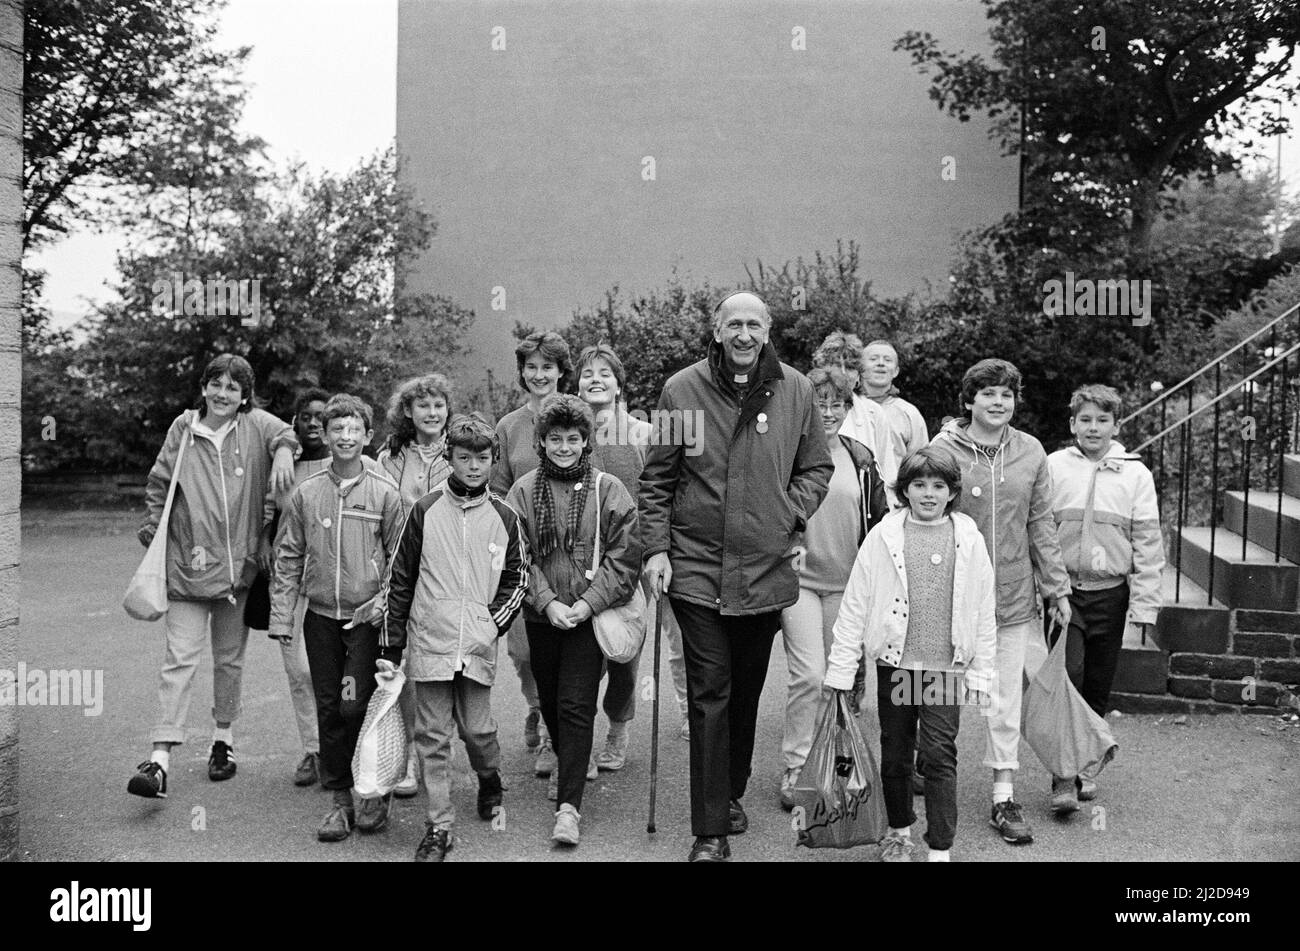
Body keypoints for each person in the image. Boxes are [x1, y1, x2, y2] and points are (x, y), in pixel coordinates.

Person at [640, 292, 833, 862]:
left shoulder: (796, 390)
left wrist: (788, 513)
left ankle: (730, 791)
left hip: (765, 571)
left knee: (745, 692)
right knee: (710, 692)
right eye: (734, 324)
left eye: (754, 324)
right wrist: (656, 550)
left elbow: (816, 467)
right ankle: (709, 832)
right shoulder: (682, 390)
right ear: (717, 330)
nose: (744, 333)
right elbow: (657, 481)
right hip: (697, 569)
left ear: (768, 330)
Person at [127, 354, 297, 799]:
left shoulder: (255, 425)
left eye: (233, 388)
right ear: (204, 387)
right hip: (186, 568)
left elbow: (289, 433)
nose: (223, 394)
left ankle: (224, 740)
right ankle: (159, 758)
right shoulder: (183, 429)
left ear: (245, 396)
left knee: (229, 661)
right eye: (216, 385)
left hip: (237, 573)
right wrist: (156, 534)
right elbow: (159, 483)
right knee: (179, 660)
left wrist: (281, 452)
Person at [825, 447, 997, 862]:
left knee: (939, 756)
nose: (928, 494)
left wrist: (982, 674)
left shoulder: (968, 537)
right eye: (919, 485)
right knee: (897, 754)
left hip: (942, 669)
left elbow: (982, 607)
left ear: (952, 491)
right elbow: (856, 604)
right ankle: (899, 830)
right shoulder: (883, 536)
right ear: (904, 489)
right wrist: (840, 671)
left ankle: (940, 846)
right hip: (898, 666)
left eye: (938, 486)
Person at [927, 358, 1072, 846]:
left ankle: (1002, 796)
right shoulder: (942, 450)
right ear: (968, 401)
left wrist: (1056, 587)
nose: (998, 402)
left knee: (1004, 701)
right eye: (987, 394)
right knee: (938, 697)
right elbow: (923, 522)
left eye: (1006, 395)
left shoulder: (1030, 450)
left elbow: (1041, 523)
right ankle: (924, 786)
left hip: (1011, 599)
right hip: (950, 598)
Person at [384, 415, 530, 862]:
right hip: (430, 640)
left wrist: (492, 624)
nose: (472, 466)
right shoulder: (424, 510)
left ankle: (489, 776)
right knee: (432, 735)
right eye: (463, 458)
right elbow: (400, 577)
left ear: (493, 460)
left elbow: (518, 577)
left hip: (477, 644)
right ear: (448, 459)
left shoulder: (505, 517)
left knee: (478, 729)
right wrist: (391, 643)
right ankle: (438, 825)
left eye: (481, 458)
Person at [507, 394, 642, 847]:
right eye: (555, 439)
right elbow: (516, 556)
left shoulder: (609, 489)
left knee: (576, 704)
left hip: (589, 615)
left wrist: (586, 603)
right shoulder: (523, 490)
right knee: (550, 701)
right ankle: (569, 763)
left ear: (586, 441)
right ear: (541, 442)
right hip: (543, 616)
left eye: (573, 439)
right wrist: (546, 603)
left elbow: (626, 556)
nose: (564, 446)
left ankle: (569, 808)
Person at [268, 394, 404, 842]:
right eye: (336, 430)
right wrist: (283, 618)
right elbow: (287, 557)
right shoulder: (306, 494)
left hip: (366, 621)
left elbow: (402, 559)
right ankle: (341, 801)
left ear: (368, 437)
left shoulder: (385, 492)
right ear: (325, 436)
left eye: (354, 431)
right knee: (328, 708)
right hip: (321, 618)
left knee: (355, 705)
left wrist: (383, 602)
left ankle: (374, 789)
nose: (345, 438)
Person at [1045, 383, 1164, 810]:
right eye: (1085, 420)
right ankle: (1062, 777)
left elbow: (1148, 543)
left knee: (1097, 684)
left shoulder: (1134, 473)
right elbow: (1039, 529)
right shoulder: (1055, 465)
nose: (1093, 428)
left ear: (1117, 425)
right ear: (1072, 424)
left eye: (1102, 420)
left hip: (1110, 595)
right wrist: (1046, 583)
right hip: (1063, 595)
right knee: (1068, 680)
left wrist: (1145, 602)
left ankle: (1086, 766)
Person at [777, 365, 889, 809]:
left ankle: (833, 766)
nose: (827, 411)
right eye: (818, 402)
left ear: (849, 408)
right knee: (807, 674)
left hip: (847, 585)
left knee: (836, 680)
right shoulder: (787, 452)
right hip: (798, 582)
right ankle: (795, 764)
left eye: (836, 403)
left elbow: (880, 521)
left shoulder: (860, 457)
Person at [576, 342, 689, 768]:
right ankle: (575, 738)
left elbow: (662, 492)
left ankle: (619, 729)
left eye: (605, 373)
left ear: (620, 385)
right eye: (588, 374)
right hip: (588, 561)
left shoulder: (642, 434)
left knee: (626, 650)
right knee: (585, 652)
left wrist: (660, 549)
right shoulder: (572, 436)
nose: (596, 380)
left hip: (640, 557)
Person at [492, 331, 573, 777]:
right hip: (523, 555)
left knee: (574, 651)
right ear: (522, 372)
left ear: (562, 371)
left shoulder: (578, 416)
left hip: (572, 555)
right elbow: (499, 489)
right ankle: (537, 705)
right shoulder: (509, 426)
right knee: (524, 651)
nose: (539, 374)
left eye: (548, 366)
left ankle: (552, 736)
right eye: (531, 366)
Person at [377, 373, 455, 798]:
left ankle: (440, 752)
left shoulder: (462, 453)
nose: (432, 412)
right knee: (403, 669)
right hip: (401, 576)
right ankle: (408, 756)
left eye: (439, 404)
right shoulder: (388, 458)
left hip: (448, 577)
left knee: (445, 668)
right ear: (407, 411)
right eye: (422, 405)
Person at [263, 387, 332, 787]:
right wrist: (261, 538)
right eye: (305, 416)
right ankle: (313, 749)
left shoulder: (349, 463)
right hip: (290, 581)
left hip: (332, 582)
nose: (312, 423)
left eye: (320, 416)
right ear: (296, 423)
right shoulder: (285, 464)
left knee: (331, 673)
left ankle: (343, 749)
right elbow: (269, 507)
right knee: (298, 671)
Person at [812, 331, 898, 492]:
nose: (843, 374)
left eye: (851, 367)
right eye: (837, 365)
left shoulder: (873, 413)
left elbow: (887, 470)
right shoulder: (805, 407)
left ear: (859, 375)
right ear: (822, 370)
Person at [860, 339, 929, 462]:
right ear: (860, 368)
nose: (881, 363)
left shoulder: (910, 413)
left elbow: (921, 465)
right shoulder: (847, 408)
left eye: (887, 360)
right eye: (873, 359)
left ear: (896, 371)